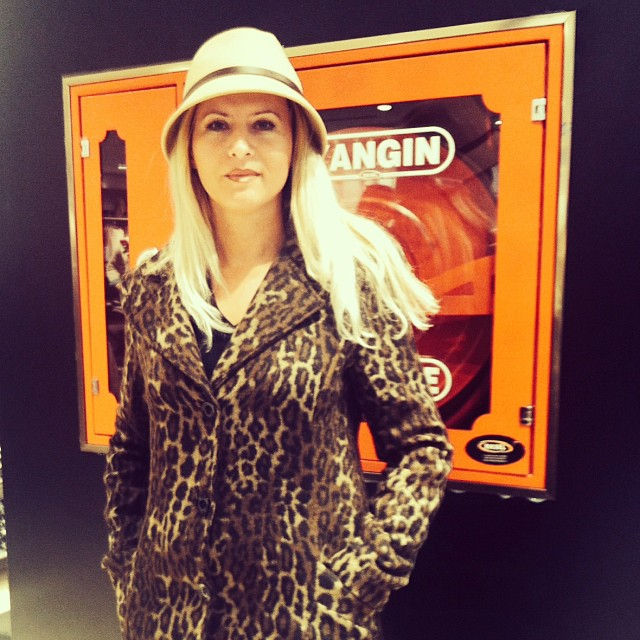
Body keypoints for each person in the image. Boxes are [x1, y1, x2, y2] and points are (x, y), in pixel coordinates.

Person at [101, 27, 453, 640]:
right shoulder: (154, 288)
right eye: (216, 125)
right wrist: (129, 569)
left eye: (263, 124)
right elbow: (133, 449)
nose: (239, 146)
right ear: (189, 148)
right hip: (166, 617)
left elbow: (421, 448)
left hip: (304, 618)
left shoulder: (346, 279)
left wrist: (362, 579)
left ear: (295, 143)